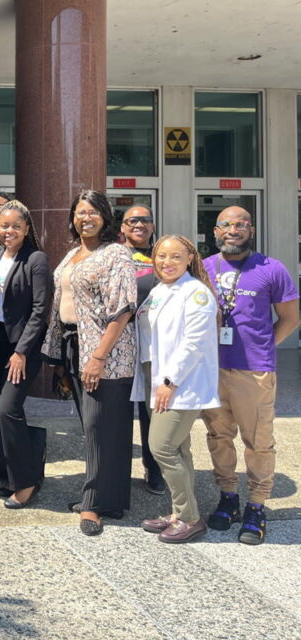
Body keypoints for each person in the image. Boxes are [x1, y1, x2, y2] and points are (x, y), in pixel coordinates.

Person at [200, 206, 299, 545]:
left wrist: (264, 347)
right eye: (226, 224)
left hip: (253, 371)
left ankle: (256, 506)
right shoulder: (203, 268)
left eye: (240, 224)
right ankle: (228, 496)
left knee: (258, 442)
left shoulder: (272, 269)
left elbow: (290, 317)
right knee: (218, 436)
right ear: (215, 231)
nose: (233, 229)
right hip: (212, 369)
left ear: (250, 229)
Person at [42, 190, 138, 536]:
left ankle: (93, 505)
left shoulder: (117, 254)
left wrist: (97, 356)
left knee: (101, 427)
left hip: (107, 355)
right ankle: (110, 499)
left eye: (93, 212)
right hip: (72, 345)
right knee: (95, 428)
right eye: (80, 212)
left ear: (105, 217)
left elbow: (123, 308)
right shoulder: (72, 255)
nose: (86, 218)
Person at [133, 235, 220, 543]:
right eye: (160, 256)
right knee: (179, 449)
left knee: (162, 447)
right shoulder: (159, 290)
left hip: (179, 384)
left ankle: (190, 519)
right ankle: (180, 513)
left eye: (174, 257)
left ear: (189, 259)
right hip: (154, 378)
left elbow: (194, 344)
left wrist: (170, 382)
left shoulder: (195, 293)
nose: (166, 262)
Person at [0, 201, 52, 508]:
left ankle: (25, 483)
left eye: (15, 226)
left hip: (21, 347)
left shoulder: (36, 259)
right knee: (5, 412)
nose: (8, 231)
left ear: (26, 229)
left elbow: (41, 310)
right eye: (3, 226)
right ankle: (17, 475)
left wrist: (22, 352)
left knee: (10, 407)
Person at [121, 205, 165, 495]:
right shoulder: (115, 255)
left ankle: (154, 468)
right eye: (133, 220)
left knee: (152, 412)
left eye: (145, 219)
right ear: (122, 227)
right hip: (119, 345)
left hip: (155, 346)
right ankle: (116, 470)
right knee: (118, 412)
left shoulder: (163, 256)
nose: (140, 224)